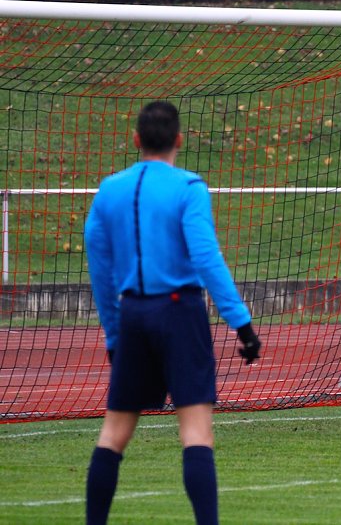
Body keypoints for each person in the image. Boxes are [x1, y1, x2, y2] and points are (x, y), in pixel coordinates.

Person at [83, 101, 261, 524]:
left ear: (136, 140)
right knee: (196, 433)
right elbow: (206, 257)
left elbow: (100, 263)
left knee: (113, 435)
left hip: (133, 316)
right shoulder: (189, 187)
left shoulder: (109, 189)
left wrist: (113, 334)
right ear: (179, 140)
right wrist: (242, 323)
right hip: (181, 313)